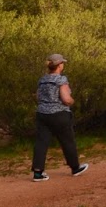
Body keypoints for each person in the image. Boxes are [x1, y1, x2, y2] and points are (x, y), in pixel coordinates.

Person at [32, 52, 89, 181]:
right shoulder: (61, 80)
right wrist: (71, 101)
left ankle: (38, 173)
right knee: (67, 140)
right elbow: (66, 99)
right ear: (59, 65)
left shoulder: (42, 80)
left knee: (41, 142)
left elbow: (37, 97)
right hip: (59, 114)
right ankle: (75, 167)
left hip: (42, 114)